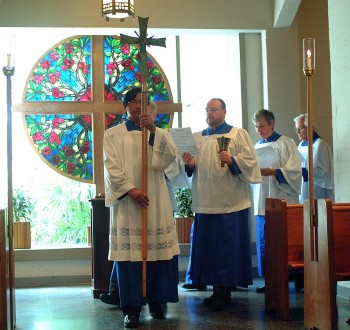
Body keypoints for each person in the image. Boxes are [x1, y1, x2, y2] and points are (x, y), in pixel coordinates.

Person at [103, 88, 180, 328]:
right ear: (125, 106)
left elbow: (167, 161)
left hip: (154, 198)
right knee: (130, 258)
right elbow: (111, 166)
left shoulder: (160, 133)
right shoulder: (113, 134)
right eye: (135, 102)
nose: (139, 107)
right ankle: (132, 309)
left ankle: (157, 301)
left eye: (144, 103)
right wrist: (130, 189)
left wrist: (154, 131)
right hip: (129, 202)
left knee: (157, 254)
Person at [180, 98, 262, 311]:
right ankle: (213, 290)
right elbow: (190, 170)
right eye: (207, 110)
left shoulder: (237, 134)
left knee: (226, 248)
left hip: (230, 202)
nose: (209, 113)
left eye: (214, 110)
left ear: (224, 112)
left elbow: (251, 162)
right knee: (208, 247)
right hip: (206, 201)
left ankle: (223, 291)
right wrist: (189, 164)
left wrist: (233, 160)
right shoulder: (197, 138)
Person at [251, 109, 302, 293]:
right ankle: (270, 280)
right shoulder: (256, 146)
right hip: (262, 200)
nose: (259, 130)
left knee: (283, 241)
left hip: (282, 198)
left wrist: (274, 172)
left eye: (262, 126)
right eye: (256, 127)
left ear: (272, 124)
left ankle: (291, 277)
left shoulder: (286, 143)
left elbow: (295, 172)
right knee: (265, 242)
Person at [294, 113, 334, 203]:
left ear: (310, 128)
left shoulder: (320, 144)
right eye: (296, 129)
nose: (297, 132)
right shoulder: (301, 145)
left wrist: (303, 171)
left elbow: (322, 171)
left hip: (317, 190)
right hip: (303, 187)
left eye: (300, 129)